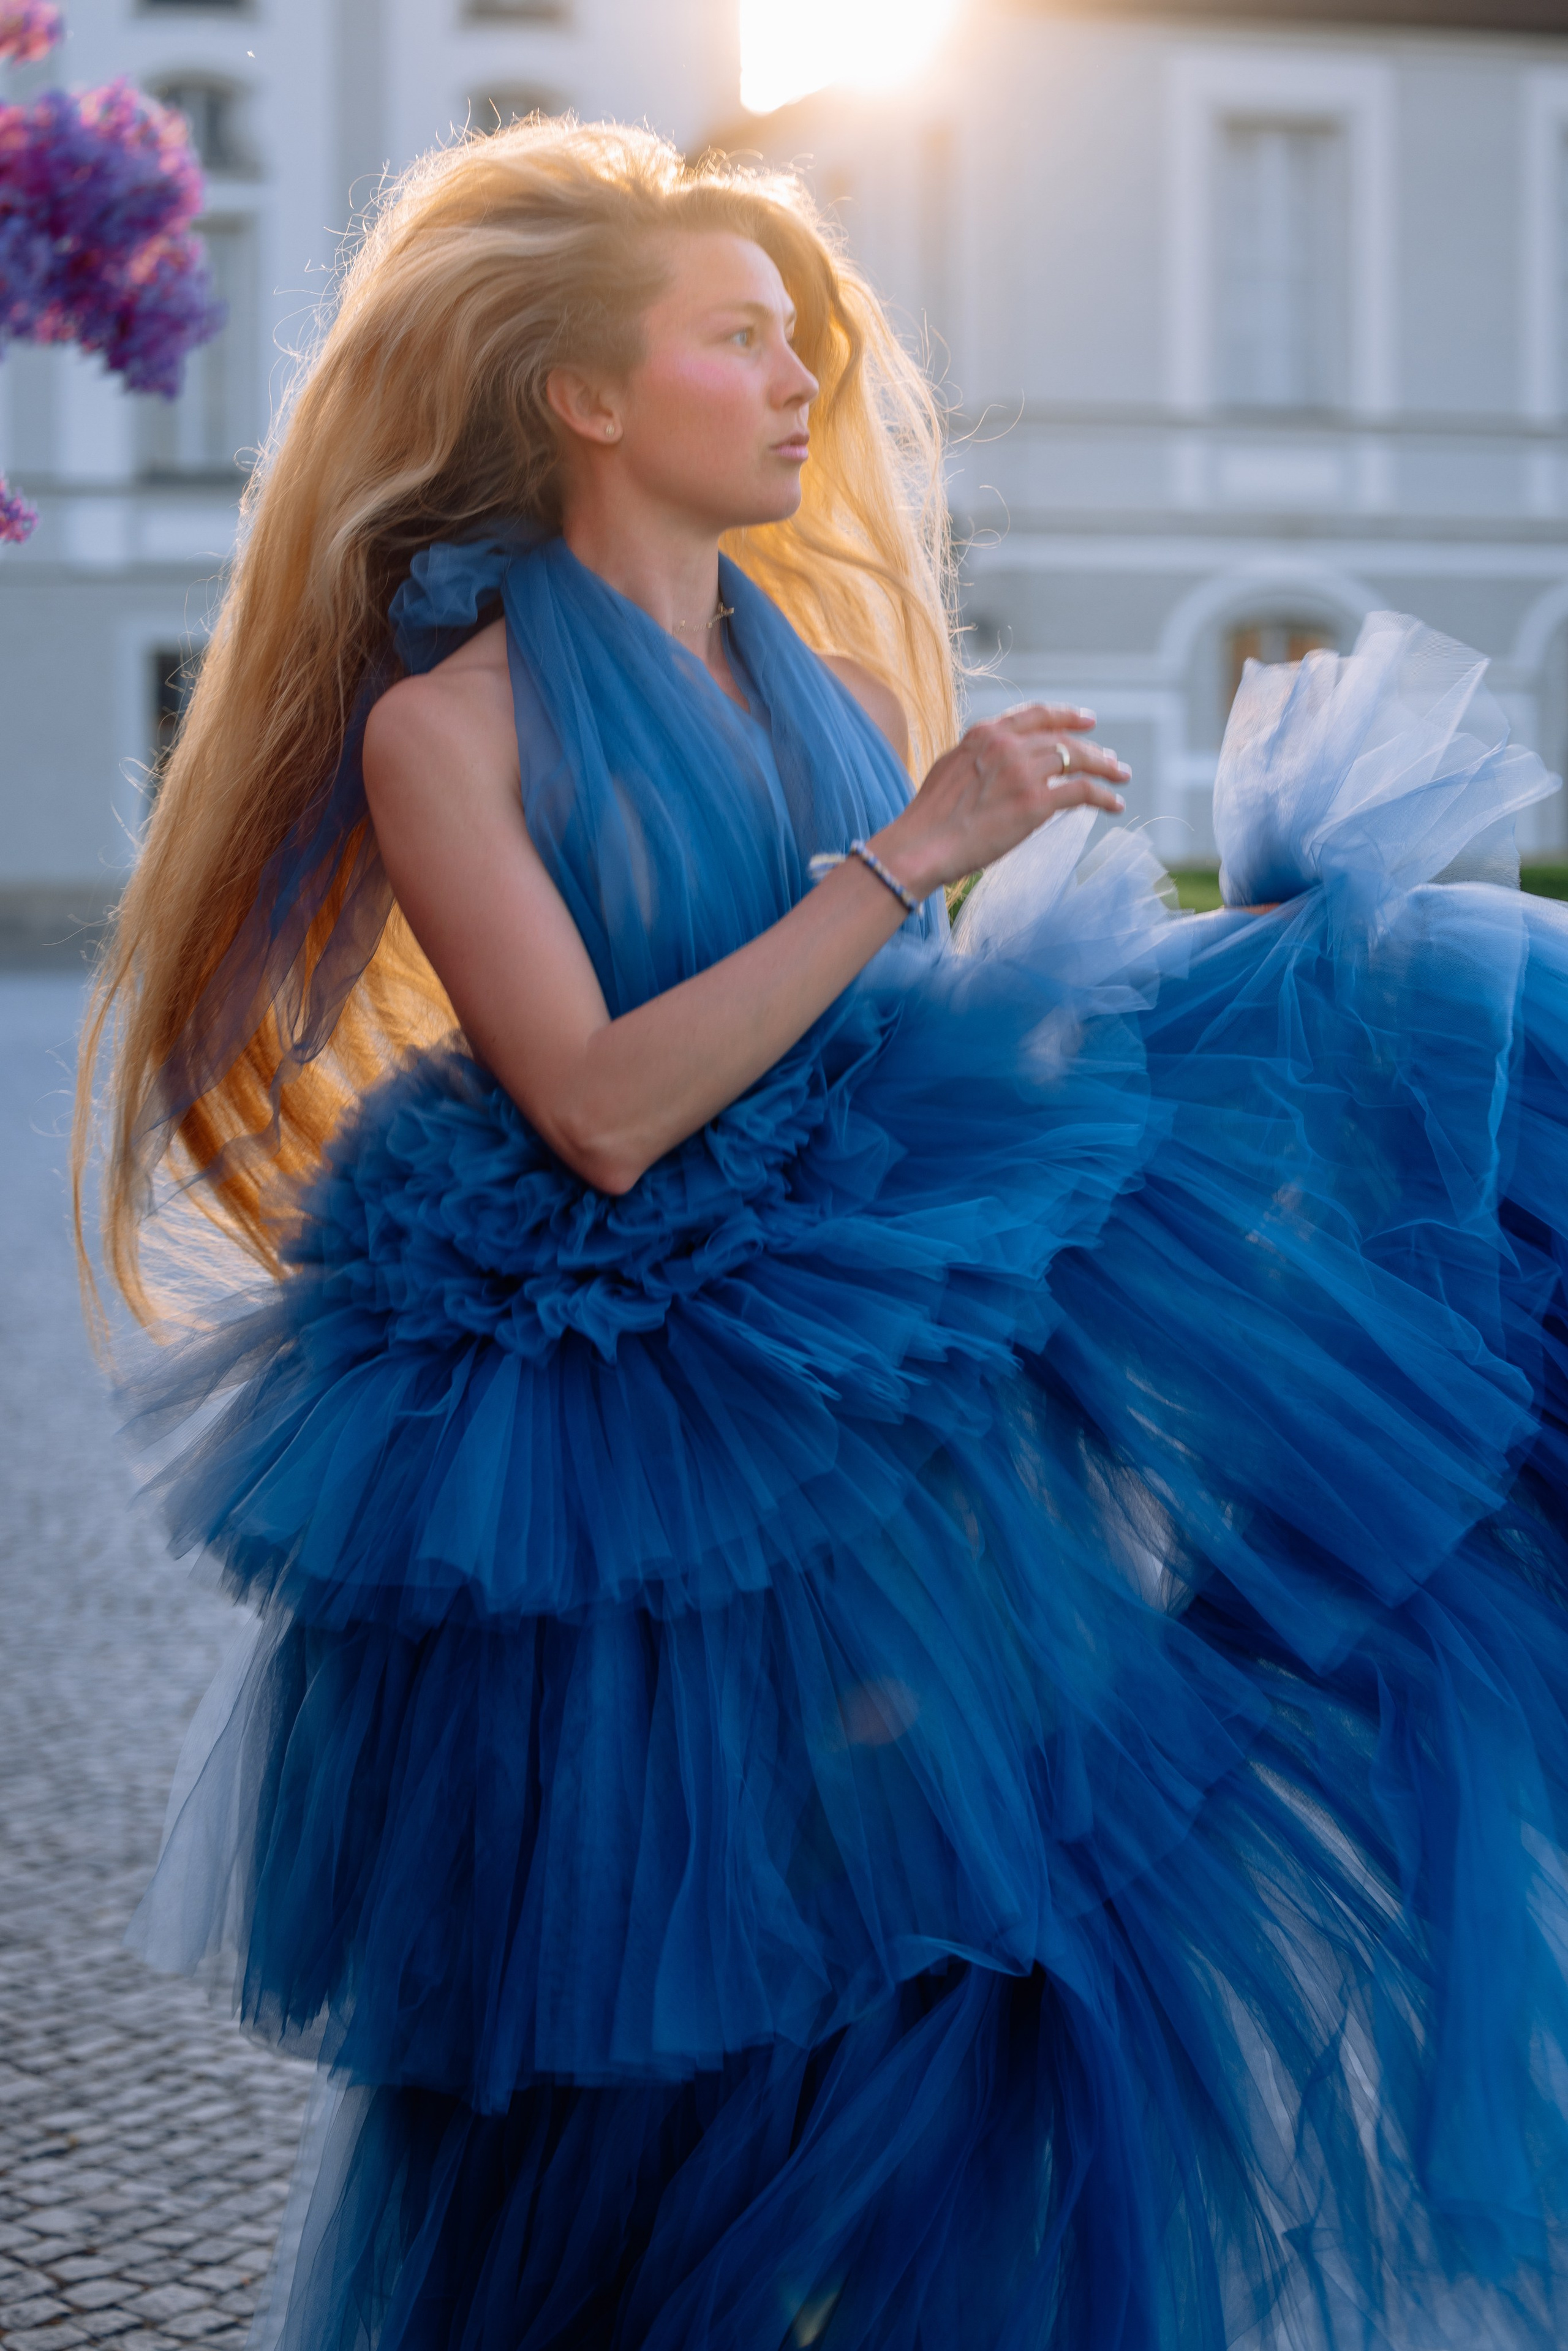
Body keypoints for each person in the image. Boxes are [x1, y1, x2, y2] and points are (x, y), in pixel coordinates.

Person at [76, 120, 1568, 2351]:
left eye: (801, 343)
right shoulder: (444, 729)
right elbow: (598, 1110)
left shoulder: (834, 692)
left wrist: (1133, 1012)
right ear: (587, 396)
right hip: (612, 1406)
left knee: (964, 1903)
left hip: (855, 1355)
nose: (802, 384)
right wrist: (909, 857)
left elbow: (892, 1052)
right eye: (740, 339)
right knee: (656, 1984)